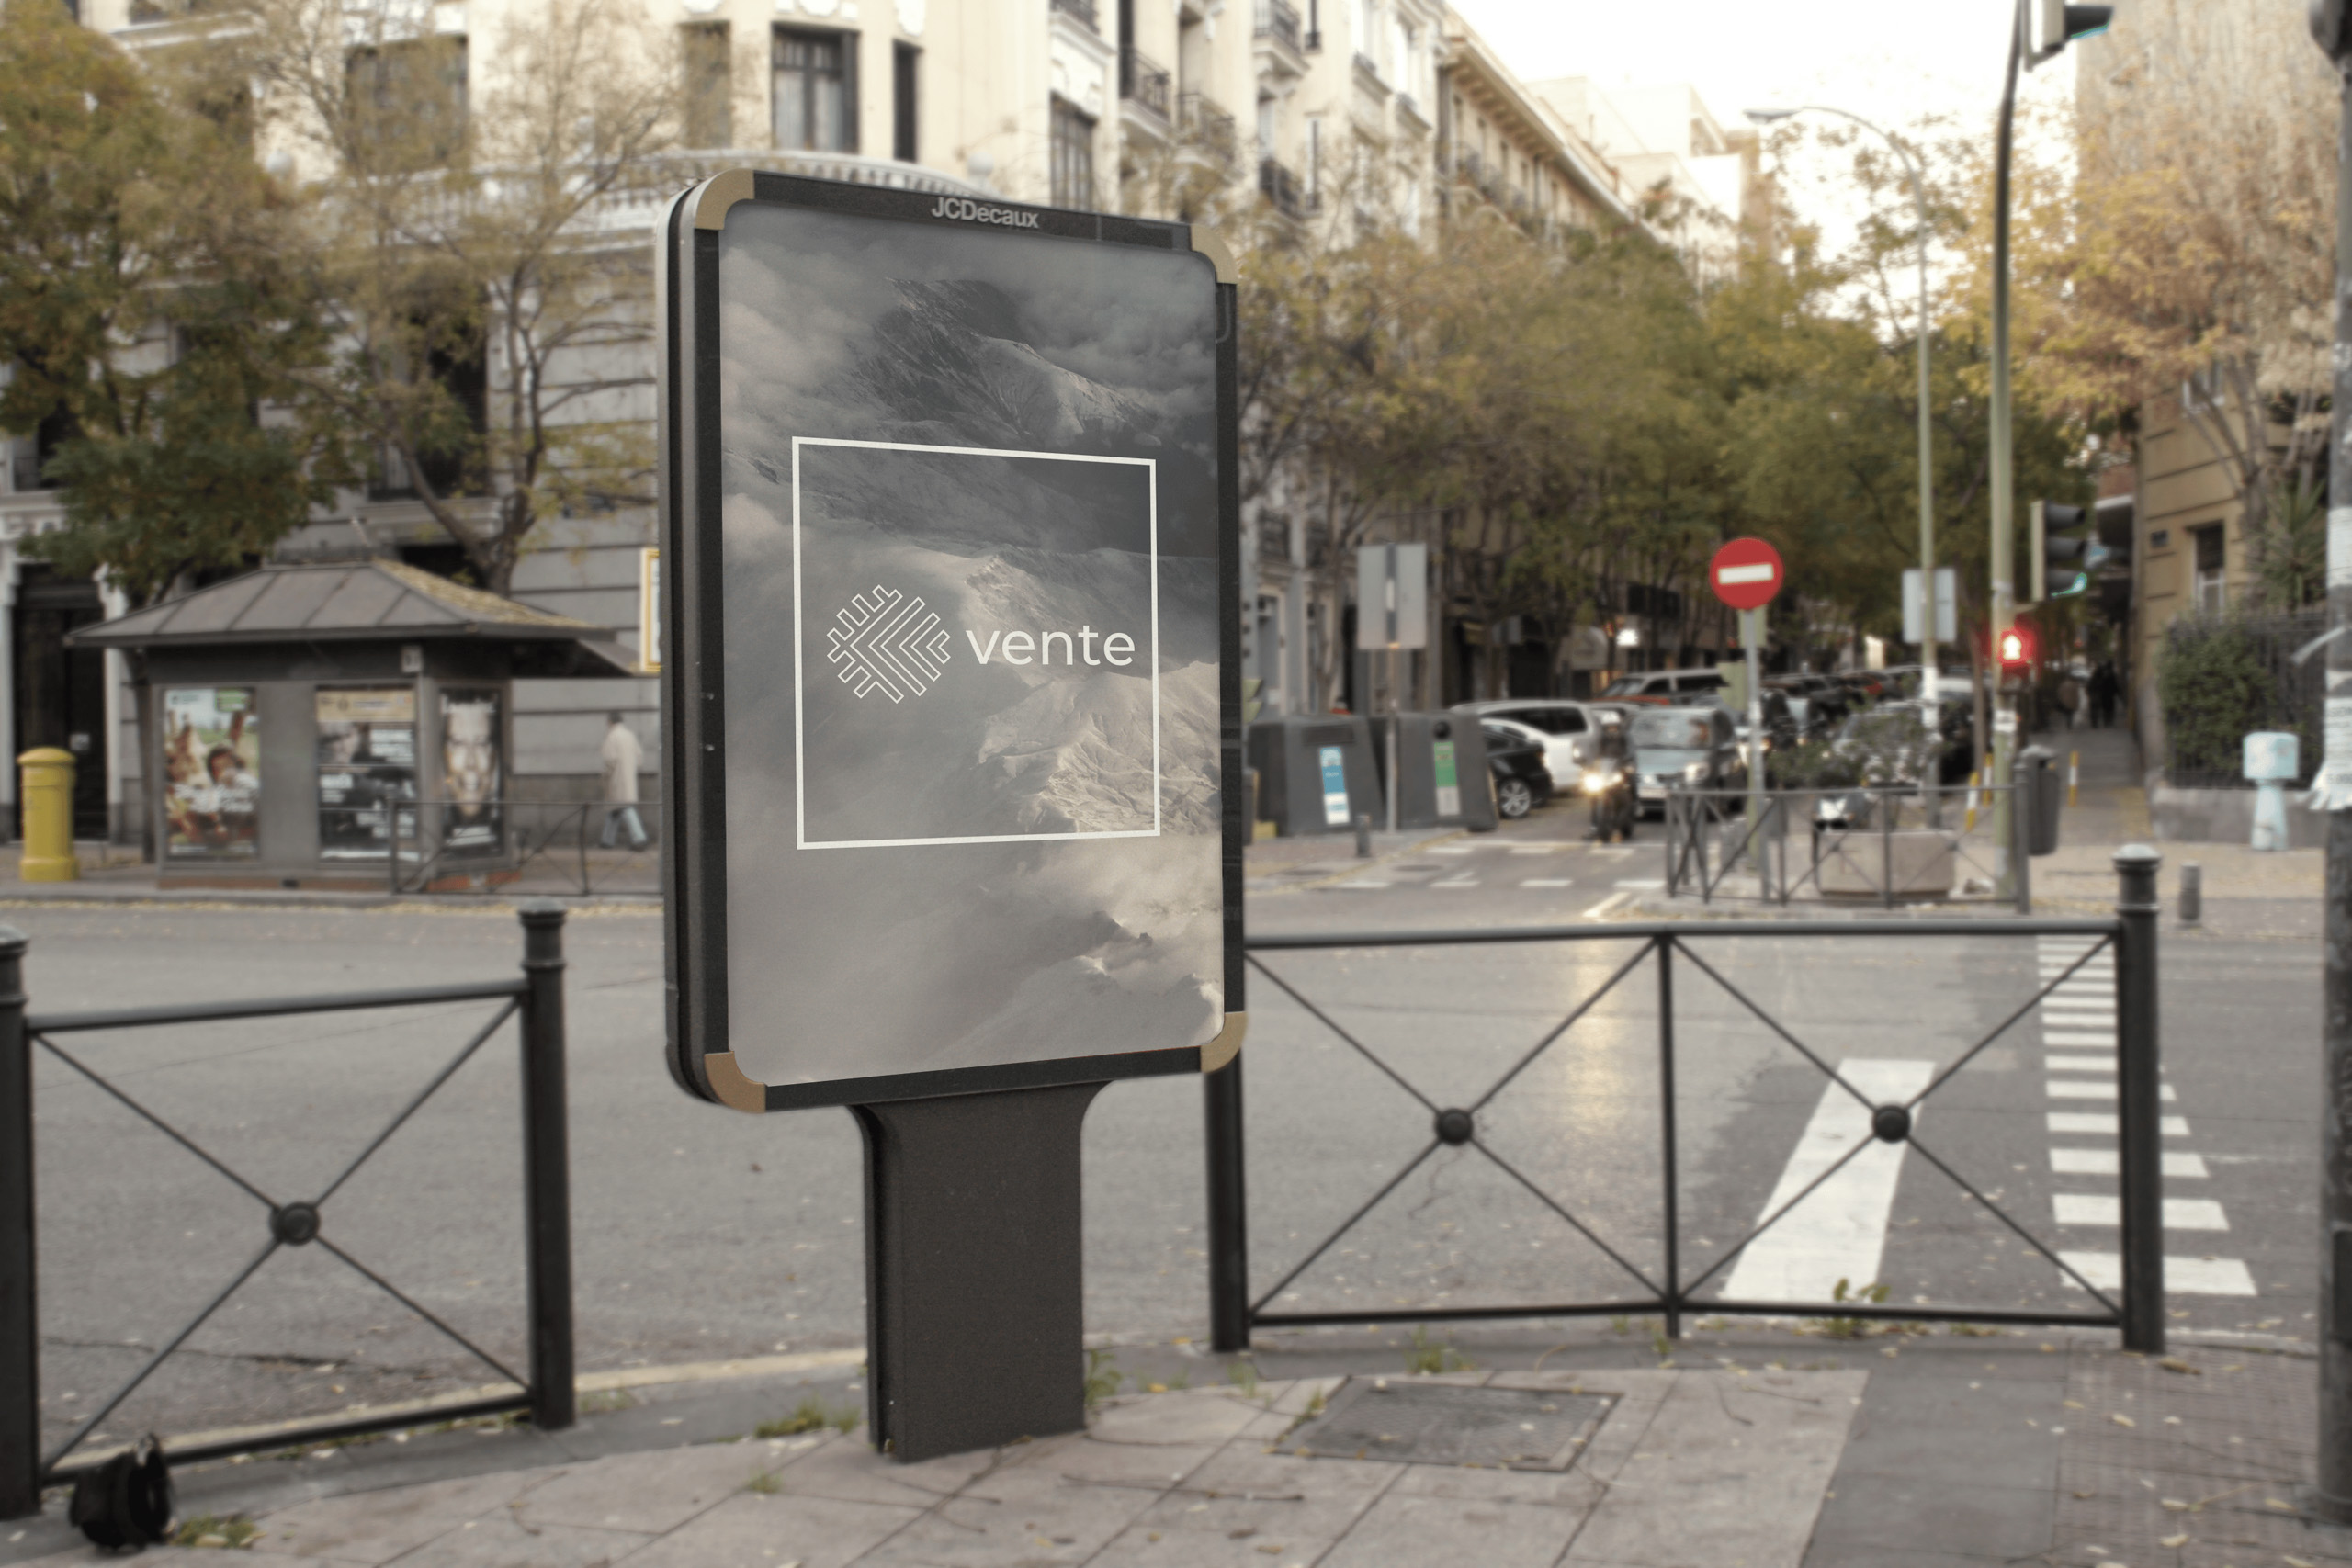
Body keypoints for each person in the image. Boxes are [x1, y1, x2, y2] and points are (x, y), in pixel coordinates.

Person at [600, 713, 649, 852]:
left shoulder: (612, 736)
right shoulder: (630, 736)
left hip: (616, 779)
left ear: (610, 721)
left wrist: (605, 776)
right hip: (628, 778)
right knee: (615, 810)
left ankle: (639, 838)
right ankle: (607, 840)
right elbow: (639, 757)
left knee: (625, 808)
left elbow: (609, 760)